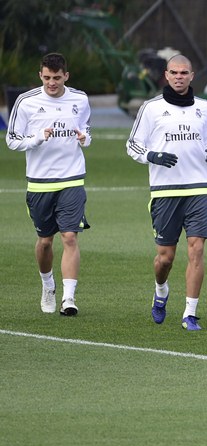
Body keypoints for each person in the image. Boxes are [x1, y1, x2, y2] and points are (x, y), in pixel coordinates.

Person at [126, 54, 207, 331]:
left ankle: (190, 313)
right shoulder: (151, 108)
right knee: (165, 257)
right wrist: (151, 156)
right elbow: (132, 146)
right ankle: (161, 290)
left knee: (197, 249)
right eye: (174, 72)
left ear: (192, 76)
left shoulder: (204, 107)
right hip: (165, 191)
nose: (179, 77)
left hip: (199, 188)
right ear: (166, 75)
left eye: (184, 73)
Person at [5, 53, 91, 316]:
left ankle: (69, 298)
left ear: (66, 75)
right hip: (40, 182)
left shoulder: (80, 99)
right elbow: (12, 140)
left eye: (56, 78)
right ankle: (47, 285)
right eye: (46, 78)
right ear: (40, 75)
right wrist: (36, 139)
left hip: (72, 178)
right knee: (45, 242)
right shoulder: (26, 102)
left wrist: (84, 138)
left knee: (69, 236)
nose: (51, 83)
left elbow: (87, 130)